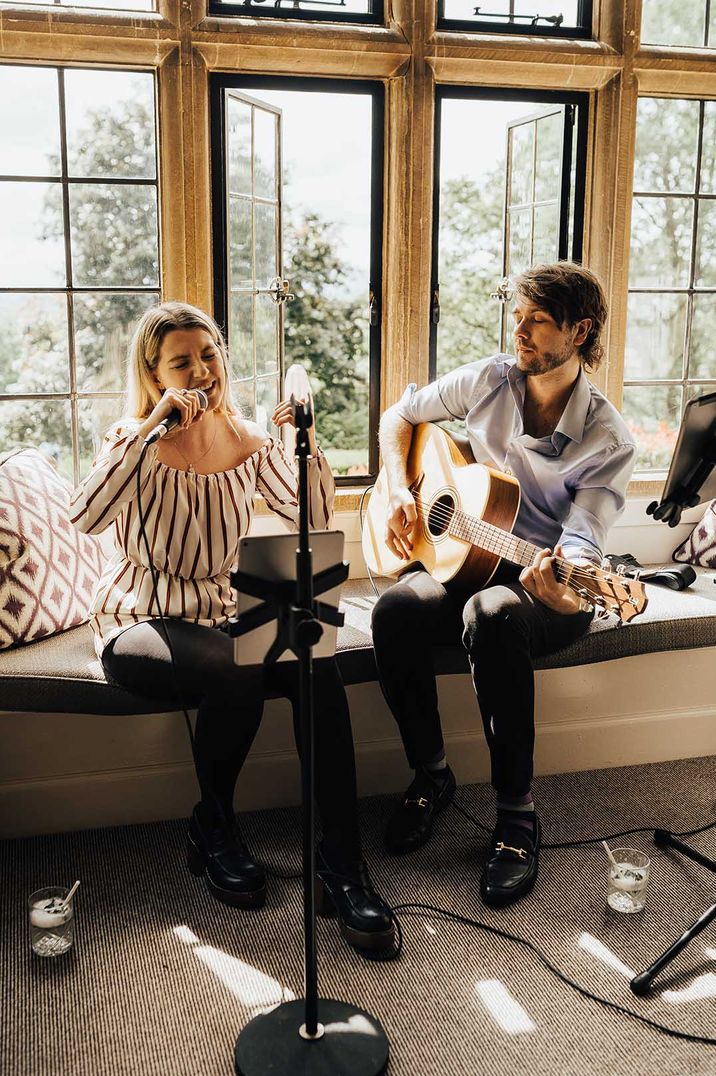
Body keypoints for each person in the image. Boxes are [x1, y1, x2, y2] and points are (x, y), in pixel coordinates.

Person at [70, 301, 395, 957]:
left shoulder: (250, 441)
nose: (200, 371)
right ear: (155, 375)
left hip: (225, 606)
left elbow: (317, 513)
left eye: (209, 354)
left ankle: (342, 864)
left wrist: (304, 441)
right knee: (236, 663)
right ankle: (214, 825)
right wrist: (158, 420)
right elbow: (85, 515)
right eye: (181, 362)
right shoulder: (132, 438)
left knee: (315, 658)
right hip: (139, 614)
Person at [371, 262, 637, 907]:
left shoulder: (609, 437)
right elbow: (397, 418)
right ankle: (432, 777)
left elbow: (581, 539)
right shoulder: (489, 380)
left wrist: (566, 580)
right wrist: (406, 492)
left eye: (537, 319)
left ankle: (518, 815)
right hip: (468, 557)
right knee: (395, 610)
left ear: (580, 331)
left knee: (495, 613)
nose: (519, 329)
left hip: (551, 587)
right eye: (517, 315)